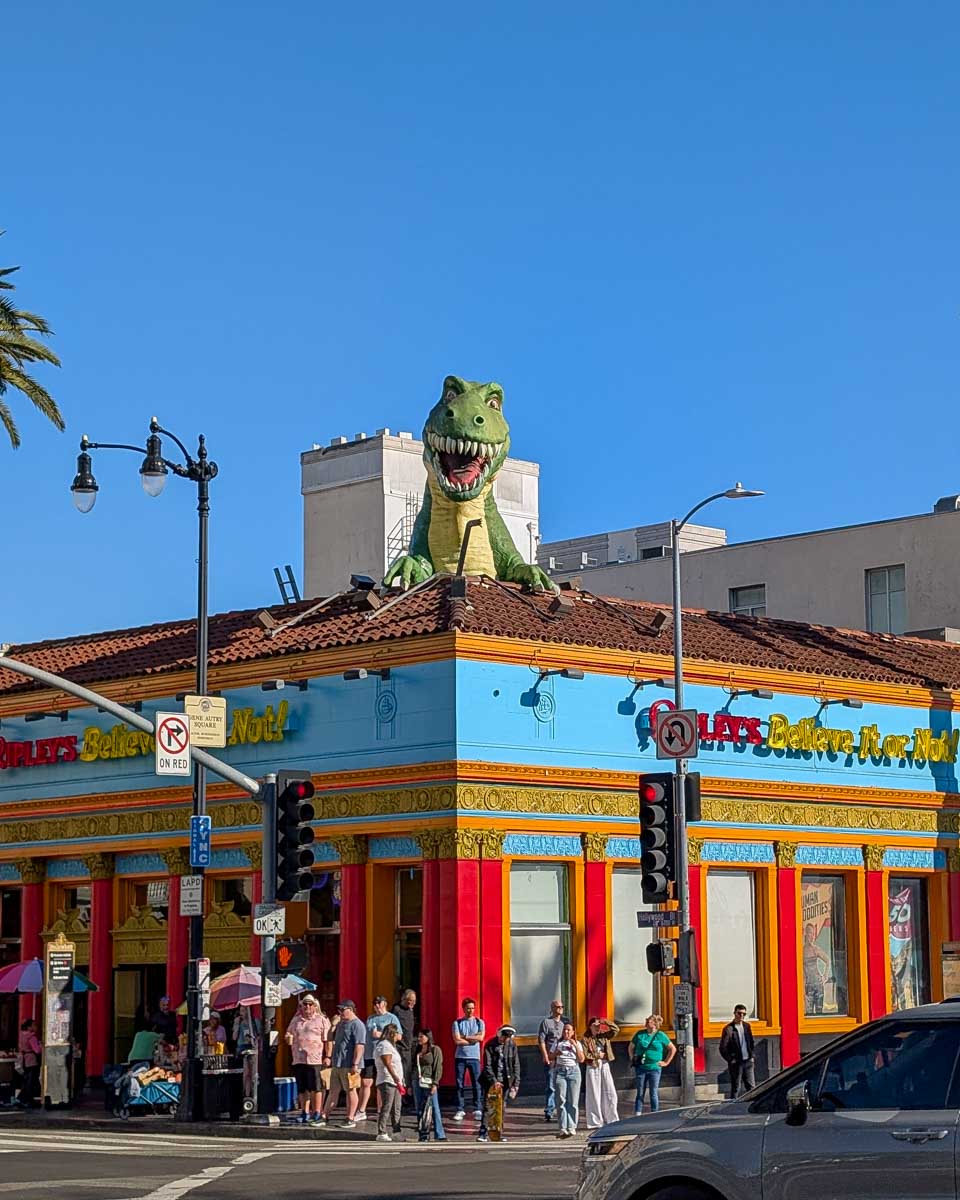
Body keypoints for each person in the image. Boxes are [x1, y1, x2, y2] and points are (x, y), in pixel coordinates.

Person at [285, 994, 331, 1124]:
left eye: (310, 1004)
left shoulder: (321, 1020)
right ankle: (304, 1112)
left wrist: (328, 1056)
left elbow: (327, 1040)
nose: (307, 1007)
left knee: (316, 1087)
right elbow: (289, 1033)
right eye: (305, 1004)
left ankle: (317, 1111)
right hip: (298, 1058)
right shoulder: (296, 1020)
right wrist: (288, 1037)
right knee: (302, 1088)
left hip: (314, 1058)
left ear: (315, 1006)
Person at [321, 999, 366, 1128]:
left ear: (350, 1010)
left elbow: (360, 1046)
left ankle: (350, 1117)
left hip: (350, 1064)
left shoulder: (357, 1025)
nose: (340, 1012)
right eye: (339, 1010)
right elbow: (329, 1038)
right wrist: (332, 1026)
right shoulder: (341, 1023)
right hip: (338, 1063)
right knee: (333, 1091)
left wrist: (355, 1064)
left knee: (351, 1090)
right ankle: (324, 1116)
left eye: (342, 1010)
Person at [359, 995, 402, 1120]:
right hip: (369, 1053)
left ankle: (380, 1110)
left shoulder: (391, 1018)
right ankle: (361, 1110)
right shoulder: (370, 1018)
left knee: (381, 1082)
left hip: (384, 1054)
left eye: (379, 1003)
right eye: (375, 1003)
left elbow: (399, 1036)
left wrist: (382, 1035)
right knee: (366, 1081)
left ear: (385, 1003)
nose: (377, 1006)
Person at [477, 1025, 520, 1143]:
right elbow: (487, 1065)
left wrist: (516, 1084)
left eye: (508, 1038)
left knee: (501, 1107)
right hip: (491, 1081)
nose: (505, 1040)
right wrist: (494, 1081)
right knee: (489, 1106)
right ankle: (483, 1132)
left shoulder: (511, 1045)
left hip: (506, 1080)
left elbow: (515, 1064)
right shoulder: (490, 1045)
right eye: (504, 1037)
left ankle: (498, 1133)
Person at [629, 1014, 676, 1115]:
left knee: (653, 1092)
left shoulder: (660, 1035)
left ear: (655, 1024)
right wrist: (632, 1058)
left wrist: (666, 1062)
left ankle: (654, 1113)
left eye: (648, 1021)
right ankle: (638, 1113)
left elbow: (672, 1048)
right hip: (641, 1067)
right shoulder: (640, 1034)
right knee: (640, 1091)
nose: (646, 1022)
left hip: (655, 1068)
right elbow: (631, 1047)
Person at [583, 1016, 620, 1129]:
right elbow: (585, 1055)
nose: (598, 1027)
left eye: (599, 1025)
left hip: (604, 1064)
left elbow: (616, 1030)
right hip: (593, 1065)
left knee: (610, 1092)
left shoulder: (604, 1035)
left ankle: (612, 1118)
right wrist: (596, 1056)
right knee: (594, 1093)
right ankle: (595, 1121)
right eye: (595, 1026)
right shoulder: (586, 1038)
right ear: (590, 1026)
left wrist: (605, 1022)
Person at [549, 1020, 585, 1138]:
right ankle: (563, 1127)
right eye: (565, 1029)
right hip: (560, 1071)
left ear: (573, 1032)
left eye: (569, 1030)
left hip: (574, 1071)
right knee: (561, 1100)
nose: (566, 1032)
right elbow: (550, 1056)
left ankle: (572, 1126)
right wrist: (556, 1054)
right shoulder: (557, 1043)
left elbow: (581, 1059)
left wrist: (574, 1046)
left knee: (573, 1100)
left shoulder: (577, 1043)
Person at [452, 996, 485, 1121]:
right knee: (459, 1084)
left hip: (474, 1057)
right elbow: (457, 1040)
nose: (471, 1010)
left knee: (477, 1083)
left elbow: (481, 1038)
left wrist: (464, 1037)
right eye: (468, 1008)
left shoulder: (479, 1022)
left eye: (472, 1008)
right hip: (460, 1057)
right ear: (463, 1009)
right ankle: (460, 1109)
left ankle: (477, 1108)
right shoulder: (457, 1023)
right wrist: (472, 1039)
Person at [413, 1028, 446, 1143]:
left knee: (434, 1107)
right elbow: (412, 1066)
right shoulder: (417, 1050)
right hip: (417, 1081)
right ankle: (423, 1133)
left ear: (428, 1037)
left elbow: (438, 1067)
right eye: (419, 1036)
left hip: (429, 1081)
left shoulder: (435, 1050)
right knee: (419, 1108)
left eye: (421, 1036)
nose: (419, 1039)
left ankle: (439, 1133)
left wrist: (435, 1083)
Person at [374, 1025, 405, 1142]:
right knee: (387, 1106)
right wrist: (395, 1076)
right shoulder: (384, 1045)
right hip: (387, 1080)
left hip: (396, 1082)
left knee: (396, 1107)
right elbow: (387, 1062)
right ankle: (381, 1132)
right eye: (397, 1032)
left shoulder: (392, 1046)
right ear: (392, 1033)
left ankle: (396, 1131)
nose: (399, 1035)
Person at [719, 1004, 756, 1099]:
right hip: (736, 1062)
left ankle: (751, 1105)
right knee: (736, 1087)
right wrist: (731, 1059)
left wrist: (751, 1056)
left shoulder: (747, 1026)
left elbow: (751, 1042)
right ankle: (732, 1106)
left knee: (751, 1087)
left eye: (744, 1014)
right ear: (734, 1013)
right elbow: (723, 1047)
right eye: (739, 1013)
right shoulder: (729, 1029)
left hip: (748, 1061)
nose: (741, 1016)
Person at [537, 999, 565, 1122]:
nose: (560, 1009)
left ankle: (561, 1108)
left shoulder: (565, 1023)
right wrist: (545, 1055)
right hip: (551, 1056)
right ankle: (549, 1110)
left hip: (563, 1057)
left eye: (561, 1007)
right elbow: (541, 1040)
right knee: (551, 1084)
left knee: (562, 1084)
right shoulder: (546, 1023)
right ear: (552, 1008)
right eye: (557, 1007)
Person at [392, 988, 417, 1092]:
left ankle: (408, 1093)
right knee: (401, 1070)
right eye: (410, 1000)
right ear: (404, 999)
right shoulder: (397, 1009)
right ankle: (402, 1094)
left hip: (409, 1045)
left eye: (414, 1001)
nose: (412, 1003)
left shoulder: (410, 1010)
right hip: (400, 1045)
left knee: (408, 1070)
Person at [803, 924, 830, 1014]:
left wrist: (825, 976)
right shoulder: (801, 951)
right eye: (810, 933)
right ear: (806, 933)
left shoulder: (816, 949)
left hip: (818, 984)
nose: (812, 936)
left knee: (819, 1012)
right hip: (808, 985)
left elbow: (827, 960)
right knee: (809, 1012)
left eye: (814, 934)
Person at [16, 1019, 41, 1108]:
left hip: (24, 1059)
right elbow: (37, 1050)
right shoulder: (32, 1037)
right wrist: (41, 1045)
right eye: (34, 1025)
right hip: (31, 1060)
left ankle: (25, 1099)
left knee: (27, 1080)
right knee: (31, 1081)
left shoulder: (22, 1035)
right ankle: (25, 1099)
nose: (36, 1027)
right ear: (29, 1027)